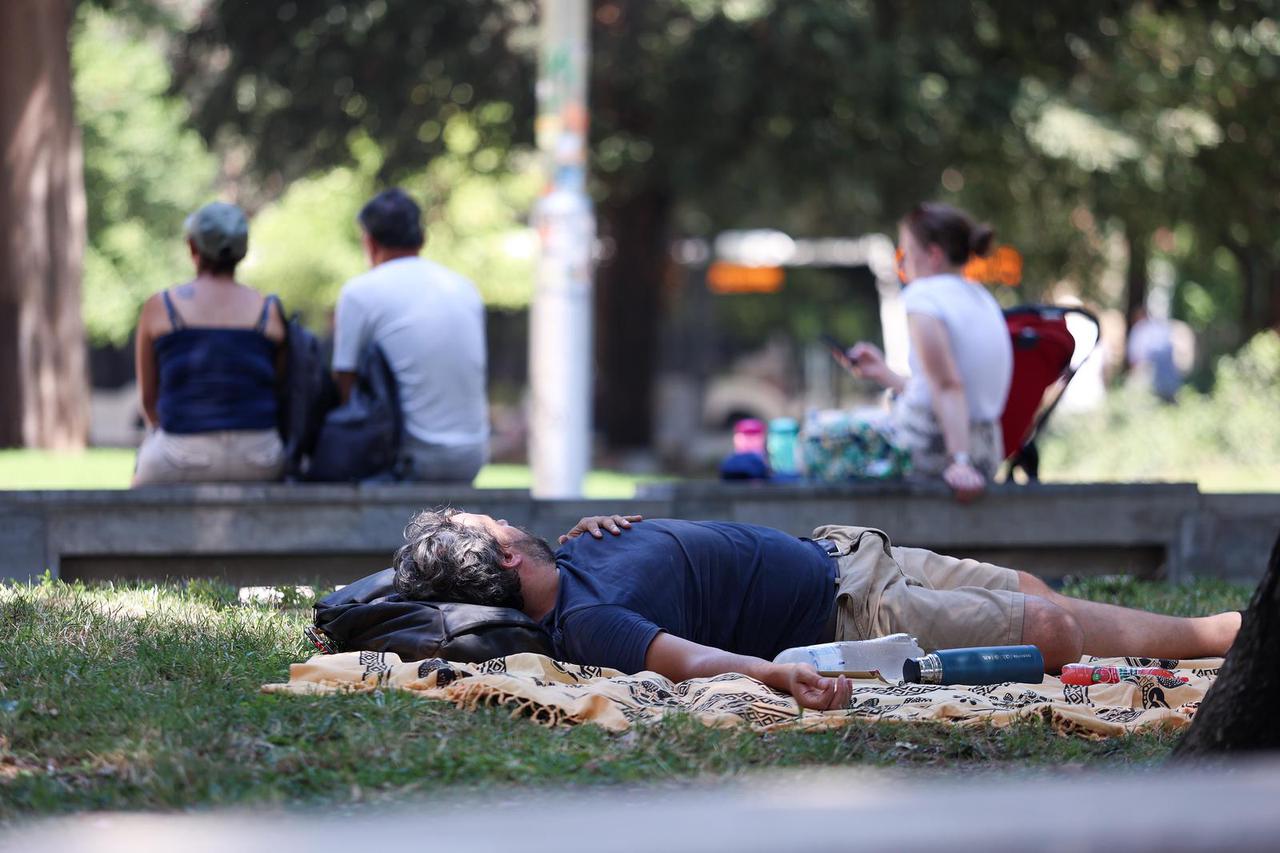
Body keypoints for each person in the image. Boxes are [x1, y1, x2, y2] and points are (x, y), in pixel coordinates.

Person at [392, 508, 1243, 712]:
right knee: (1050, 631)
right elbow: (685, 660)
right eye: (492, 521)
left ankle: (1187, 652)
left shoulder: (577, 545)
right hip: (851, 615)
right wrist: (775, 674)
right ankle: (1222, 640)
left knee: (1032, 594)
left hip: (846, 553)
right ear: (504, 554)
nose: (505, 513)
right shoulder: (586, 620)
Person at [848, 203, 1012, 501]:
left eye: (905, 253)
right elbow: (940, 388)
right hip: (987, 452)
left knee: (820, 438)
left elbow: (948, 385)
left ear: (933, 256)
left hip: (933, 449)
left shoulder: (923, 298)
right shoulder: (982, 297)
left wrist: (959, 462)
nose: (902, 263)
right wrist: (885, 374)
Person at [332, 189, 488, 483]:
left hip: (413, 460)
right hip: (472, 457)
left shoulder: (360, 292)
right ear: (422, 238)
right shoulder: (464, 287)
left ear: (369, 241)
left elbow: (345, 388)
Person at [132, 202, 285, 485]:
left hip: (181, 455)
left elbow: (149, 401)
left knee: (138, 491)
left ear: (193, 247)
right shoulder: (269, 310)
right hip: (261, 456)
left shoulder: (161, 307)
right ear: (243, 250)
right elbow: (280, 390)